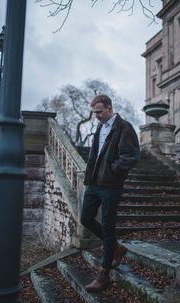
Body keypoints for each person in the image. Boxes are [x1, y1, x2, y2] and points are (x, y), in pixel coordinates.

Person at [80, 94, 140, 292]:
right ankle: (115, 247)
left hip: (111, 185)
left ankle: (104, 274)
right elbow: (95, 154)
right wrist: (90, 176)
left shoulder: (124, 127)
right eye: (94, 112)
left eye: (99, 111)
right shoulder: (100, 127)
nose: (96, 115)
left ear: (109, 108)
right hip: (94, 183)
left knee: (107, 227)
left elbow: (131, 156)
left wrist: (113, 171)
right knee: (86, 218)